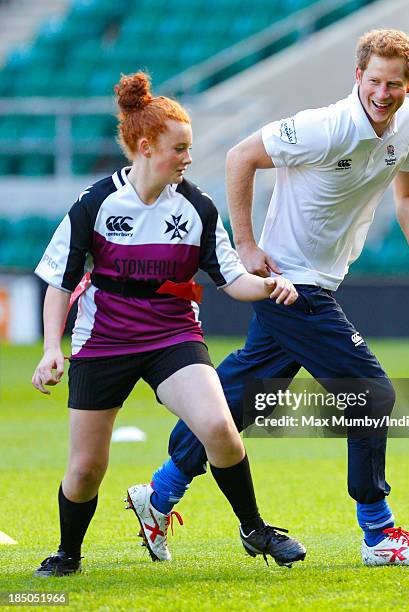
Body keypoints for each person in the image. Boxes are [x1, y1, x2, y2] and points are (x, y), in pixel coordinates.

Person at [143, 29, 409, 566]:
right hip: (290, 281)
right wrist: (245, 245)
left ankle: (158, 494)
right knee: (370, 394)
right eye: (373, 81)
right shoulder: (324, 127)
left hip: (320, 278)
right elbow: (241, 156)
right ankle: (378, 534)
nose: (382, 93)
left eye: (393, 85)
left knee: (242, 396)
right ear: (358, 77)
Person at [31, 72, 306, 577]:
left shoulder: (198, 208)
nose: (188, 158)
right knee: (87, 469)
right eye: (180, 148)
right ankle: (68, 554)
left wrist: (270, 286)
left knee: (220, 427)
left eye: (190, 148)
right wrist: (52, 347)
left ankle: (255, 530)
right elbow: (58, 282)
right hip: (104, 341)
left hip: (172, 336)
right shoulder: (94, 204)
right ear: (145, 147)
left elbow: (231, 279)